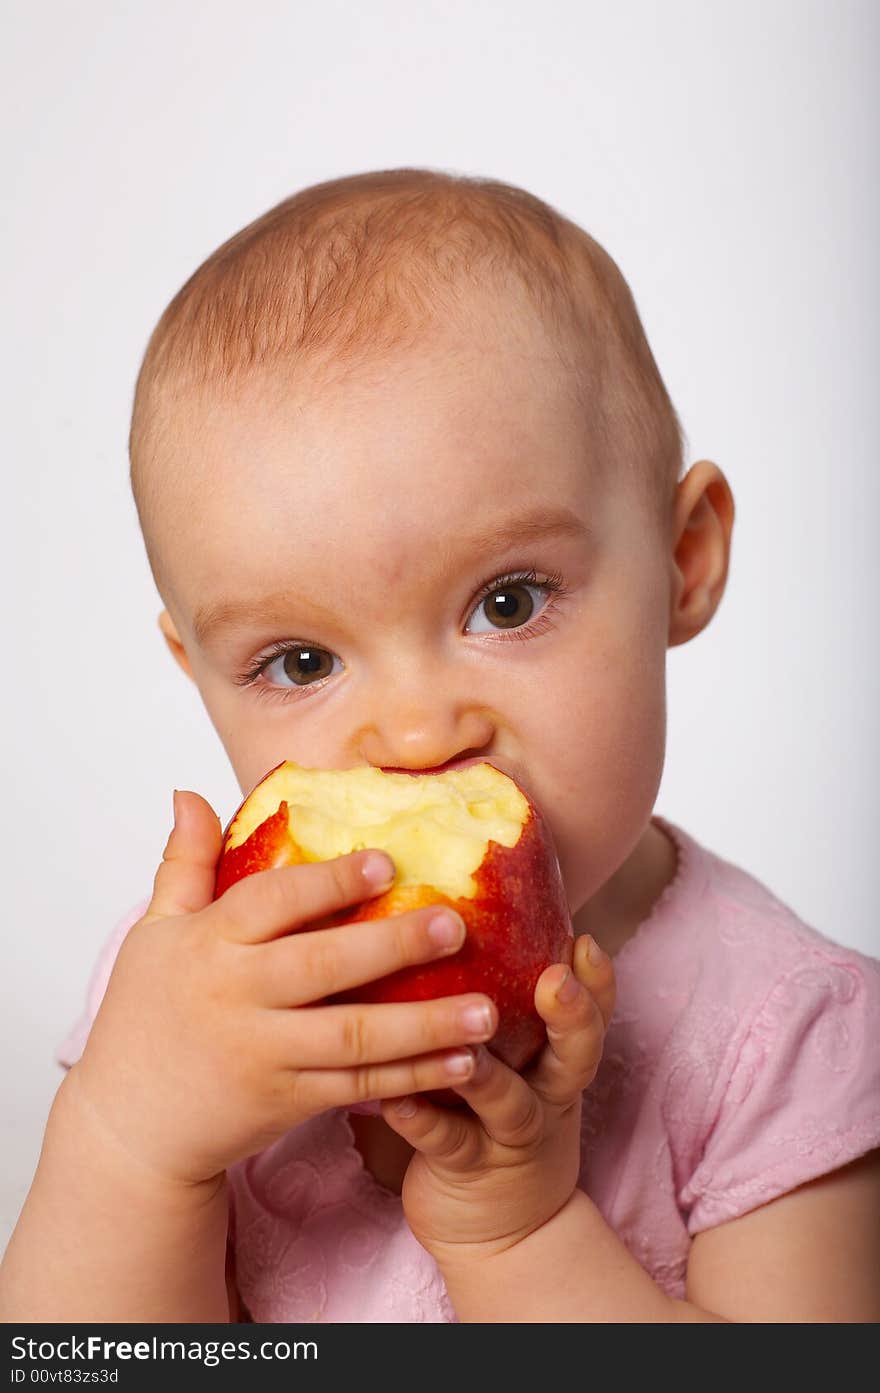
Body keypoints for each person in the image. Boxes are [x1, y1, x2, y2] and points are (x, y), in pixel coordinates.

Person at [2, 168, 878, 1324]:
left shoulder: (790, 1041)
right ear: (198, 671)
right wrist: (127, 1139)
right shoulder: (194, 988)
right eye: (301, 662)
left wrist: (518, 1237)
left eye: (507, 603)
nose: (417, 738)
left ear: (682, 558)